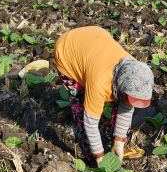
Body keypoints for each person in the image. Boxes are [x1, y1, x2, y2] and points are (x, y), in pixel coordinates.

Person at [53, 26, 153, 164]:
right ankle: (91, 155)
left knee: (122, 100)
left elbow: (126, 107)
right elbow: (90, 123)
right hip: (67, 50)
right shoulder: (100, 82)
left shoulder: (133, 70)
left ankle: (118, 147)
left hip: (96, 40)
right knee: (81, 105)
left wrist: (119, 141)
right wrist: (100, 158)